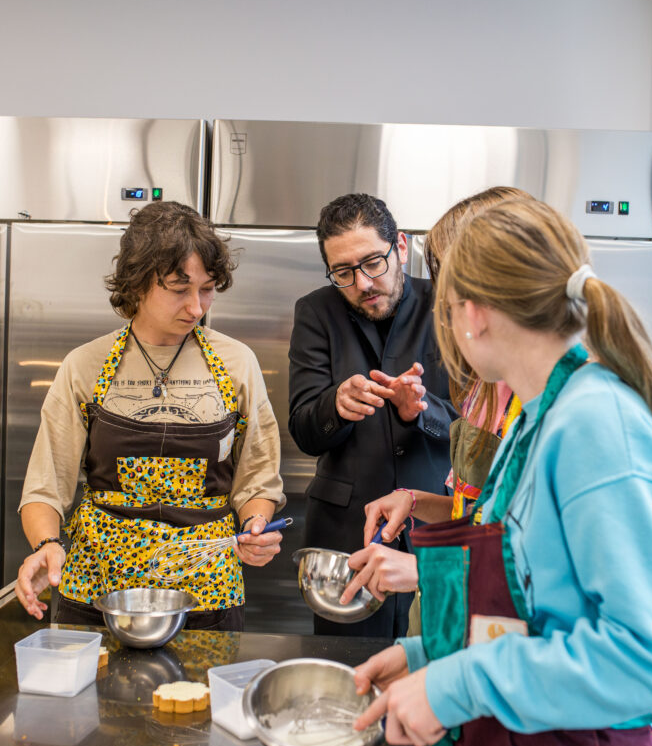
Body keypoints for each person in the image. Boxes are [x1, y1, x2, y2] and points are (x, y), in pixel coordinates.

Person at [353, 197, 652, 746]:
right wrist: (422, 655)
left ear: (470, 313)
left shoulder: (596, 427)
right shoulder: (537, 420)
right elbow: (539, 613)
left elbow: (648, 654)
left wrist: (457, 682)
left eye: (444, 310)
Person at [15, 201, 285, 631]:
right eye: (179, 289)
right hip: (96, 591)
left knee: (199, 700)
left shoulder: (237, 363)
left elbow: (257, 480)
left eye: (208, 288)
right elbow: (45, 488)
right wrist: (47, 543)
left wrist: (254, 526)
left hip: (205, 591)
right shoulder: (86, 365)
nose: (197, 307)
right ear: (138, 283)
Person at [341, 187, 531, 633]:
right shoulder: (489, 390)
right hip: (455, 630)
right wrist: (416, 500)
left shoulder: (562, 413)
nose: (445, 320)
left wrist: (428, 570)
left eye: (449, 300)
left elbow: (551, 573)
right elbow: (482, 516)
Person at [288, 193, 455, 638]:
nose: (362, 283)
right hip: (344, 538)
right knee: (348, 676)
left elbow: (477, 427)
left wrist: (420, 411)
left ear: (400, 247)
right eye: (343, 272)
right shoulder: (316, 313)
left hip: (436, 526)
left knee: (430, 666)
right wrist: (335, 407)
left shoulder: (447, 305)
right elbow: (304, 430)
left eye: (372, 263)